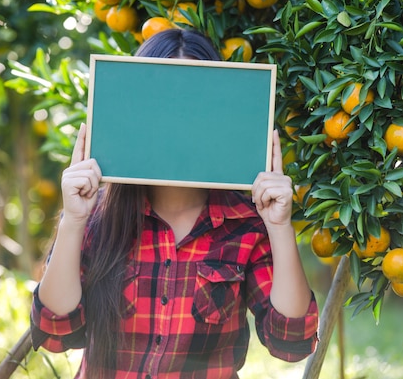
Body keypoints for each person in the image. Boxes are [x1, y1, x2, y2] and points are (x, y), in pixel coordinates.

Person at [30, 28, 319, 379]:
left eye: (193, 105)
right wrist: (73, 221)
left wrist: (279, 227)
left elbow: (292, 342)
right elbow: (56, 334)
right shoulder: (97, 216)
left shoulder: (246, 224)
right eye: (164, 104)